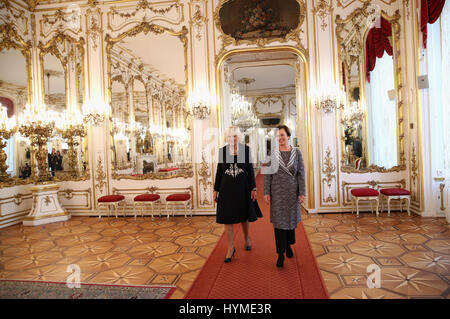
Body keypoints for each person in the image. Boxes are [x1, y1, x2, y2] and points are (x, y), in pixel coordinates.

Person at [213, 126, 262, 263]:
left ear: (238, 137)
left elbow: (250, 170)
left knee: (244, 215)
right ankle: (230, 247)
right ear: (226, 137)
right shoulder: (223, 151)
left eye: (234, 136)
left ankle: (246, 238)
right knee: (227, 218)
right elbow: (219, 171)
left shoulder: (244, 150)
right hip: (226, 189)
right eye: (229, 136)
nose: (232, 139)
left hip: (242, 188)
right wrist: (215, 189)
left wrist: (253, 187)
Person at [263, 125, 306, 268]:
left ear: (288, 136)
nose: (280, 138)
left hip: (292, 192)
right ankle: (280, 254)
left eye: (283, 135)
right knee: (279, 224)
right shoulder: (272, 153)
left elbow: (301, 174)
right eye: (278, 136)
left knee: (290, 222)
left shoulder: (297, 153)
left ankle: (288, 245)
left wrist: (302, 192)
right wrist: (266, 192)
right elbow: (268, 175)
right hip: (277, 193)